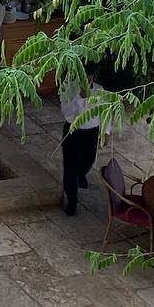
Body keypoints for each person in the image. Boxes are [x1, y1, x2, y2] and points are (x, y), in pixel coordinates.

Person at [59, 74, 101, 216]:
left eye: (88, 77)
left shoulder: (99, 91)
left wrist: (106, 132)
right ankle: (72, 200)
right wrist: (79, 98)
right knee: (70, 165)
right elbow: (67, 113)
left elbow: (104, 112)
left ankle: (80, 174)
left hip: (92, 131)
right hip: (73, 130)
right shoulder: (69, 89)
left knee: (89, 158)